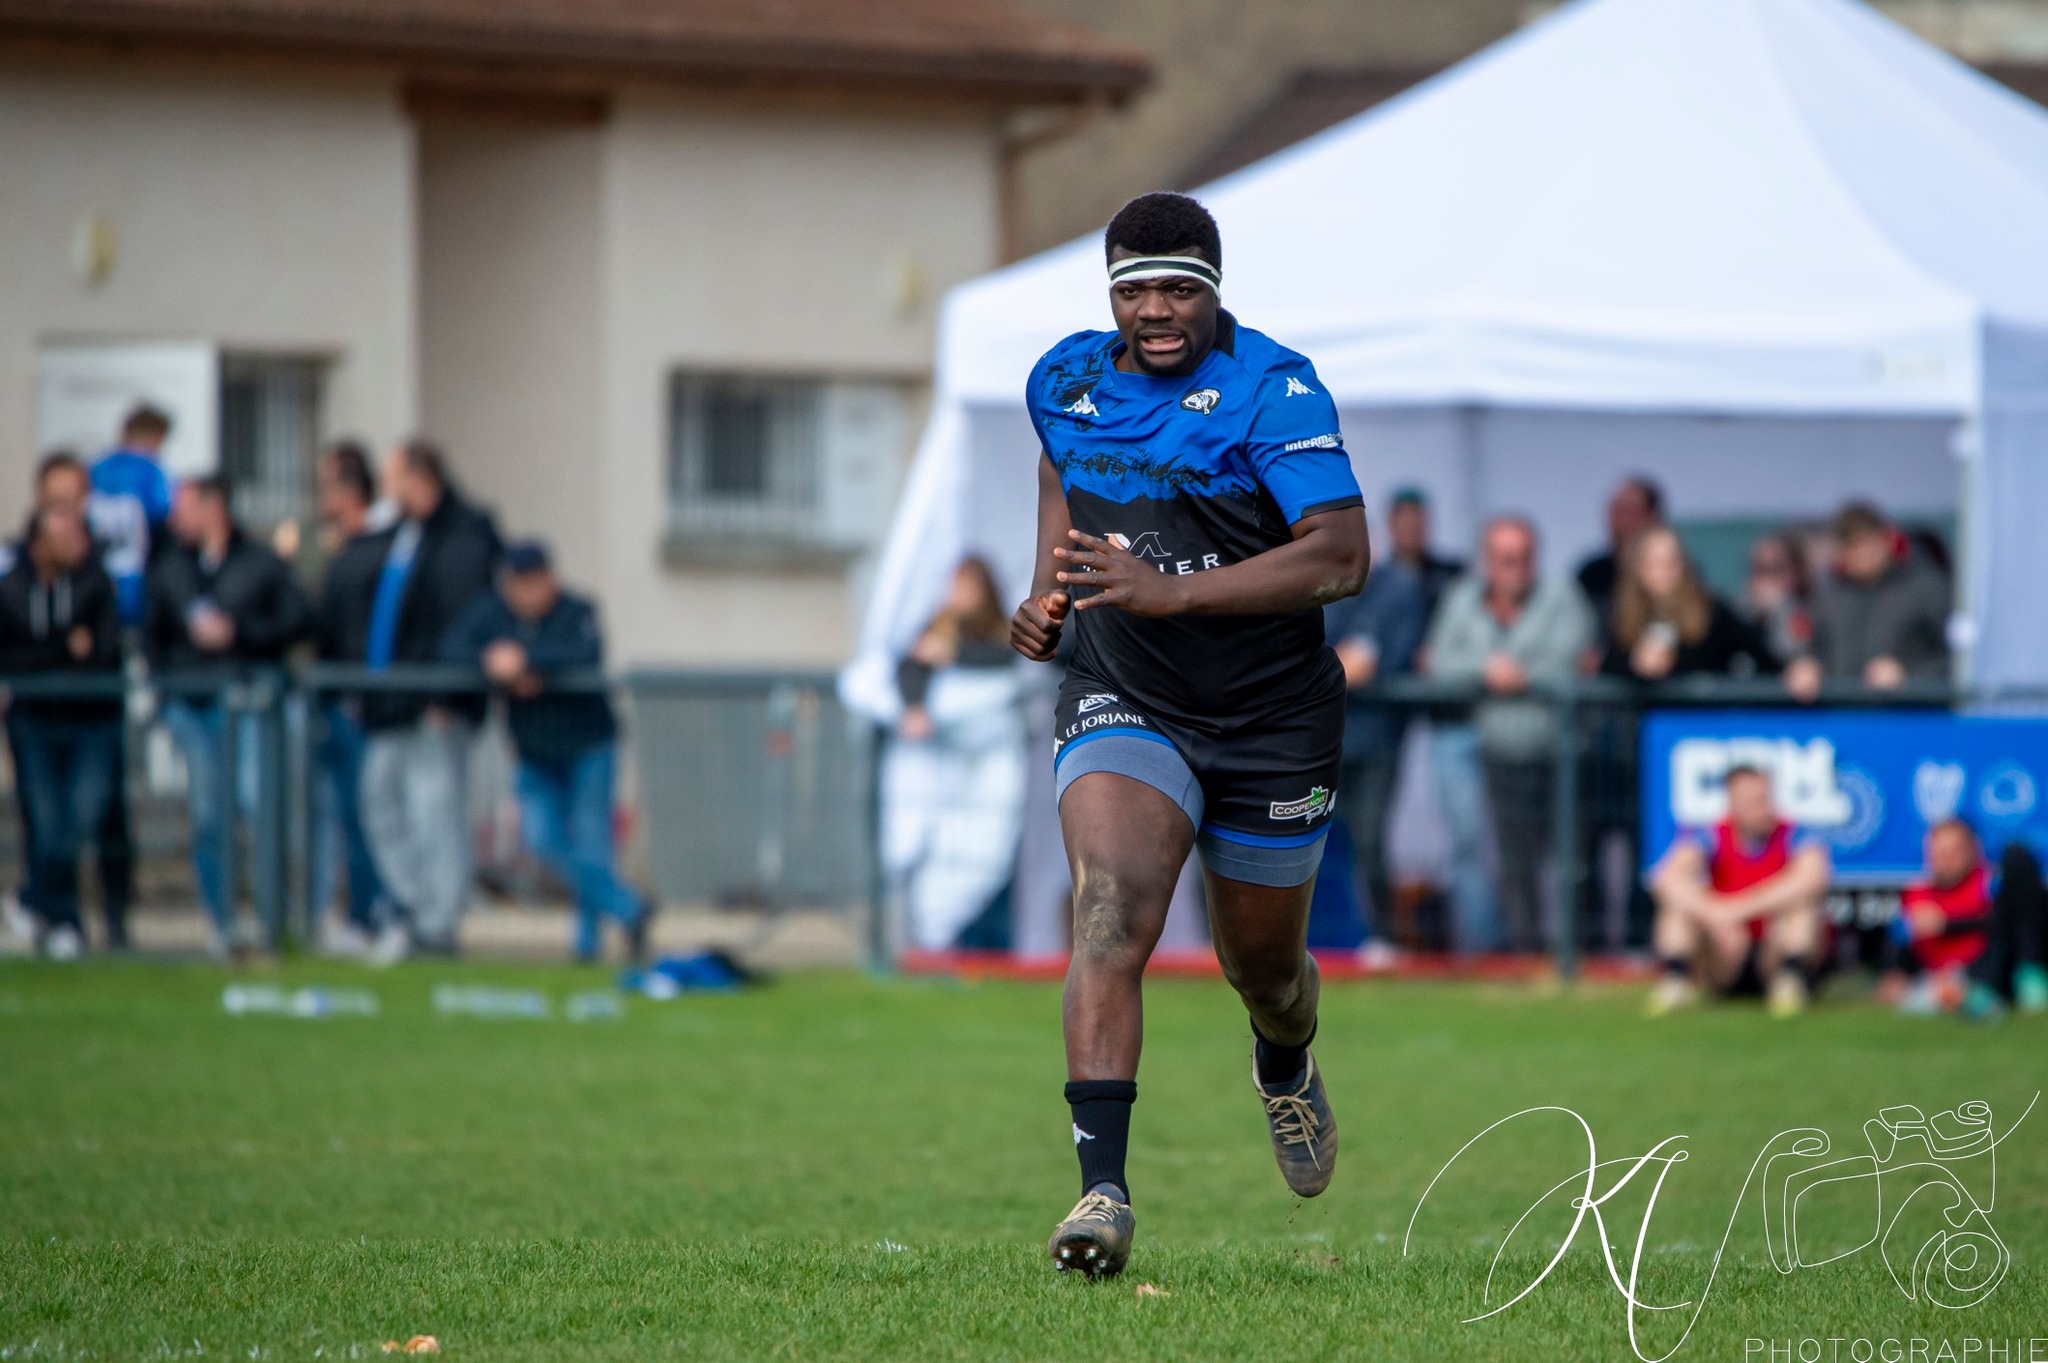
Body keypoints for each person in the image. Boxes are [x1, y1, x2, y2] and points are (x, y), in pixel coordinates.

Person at [1010, 192, 1369, 1277]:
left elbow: (1342, 554)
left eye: (1177, 290)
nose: (1155, 312)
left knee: (1261, 967)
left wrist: (1172, 592)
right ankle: (1100, 1193)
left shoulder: (1273, 387)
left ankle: (1283, 1059)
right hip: (1125, 692)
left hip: (1270, 716)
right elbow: (1058, 466)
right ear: (1108, 295)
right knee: (1110, 908)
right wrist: (1048, 589)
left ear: (1213, 291)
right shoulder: (1064, 379)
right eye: (1134, 291)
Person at [441, 540, 649, 963]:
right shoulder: (494, 614)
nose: (527, 594)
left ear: (550, 579)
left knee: (592, 843)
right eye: (518, 585)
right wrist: (491, 661)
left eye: (534, 583)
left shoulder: (576, 610)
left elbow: (586, 654)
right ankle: (630, 908)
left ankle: (586, 946)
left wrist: (529, 663)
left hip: (588, 746)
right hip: (534, 751)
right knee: (540, 840)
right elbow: (451, 648)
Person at [143, 474, 310, 956]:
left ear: (214, 507)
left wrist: (239, 633)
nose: (176, 518)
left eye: (185, 507)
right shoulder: (172, 567)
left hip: (250, 706)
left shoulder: (261, 562)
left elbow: (295, 621)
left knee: (258, 809)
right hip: (193, 708)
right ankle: (223, 923)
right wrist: (168, 688)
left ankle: (269, 918)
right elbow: (152, 636)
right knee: (208, 817)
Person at [356, 439, 502, 962]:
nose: (385, 487)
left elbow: (462, 618)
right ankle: (413, 907)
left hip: (434, 703)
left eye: (392, 476)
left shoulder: (465, 534)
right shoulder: (403, 533)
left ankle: (438, 924)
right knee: (381, 803)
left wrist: (447, 690)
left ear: (419, 477)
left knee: (434, 813)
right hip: (389, 699)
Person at [1425, 516, 1595, 953]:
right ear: (1487, 560)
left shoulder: (1561, 597)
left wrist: (1522, 674)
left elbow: (1576, 657)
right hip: (1498, 748)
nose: (1512, 566)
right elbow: (1437, 660)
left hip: (1561, 750)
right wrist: (1486, 670)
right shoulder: (1462, 598)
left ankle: (1578, 954)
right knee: (1511, 863)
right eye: (1503, 558)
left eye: (1521, 557)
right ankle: (1524, 953)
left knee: (1571, 860)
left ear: (1534, 557)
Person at [883, 556, 1029, 951]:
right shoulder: (935, 629)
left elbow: (1010, 659)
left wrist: (953, 654)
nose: (957, 596)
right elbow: (908, 668)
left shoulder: (1001, 634)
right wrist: (914, 706)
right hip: (948, 770)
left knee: (993, 852)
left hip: (994, 765)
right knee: (945, 856)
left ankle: (990, 947)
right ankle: (936, 942)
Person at [0, 506, 123, 959]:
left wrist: (52, 652)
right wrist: (62, 646)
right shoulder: (12, 590)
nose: (76, 542)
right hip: (35, 723)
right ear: (38, 545)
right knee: (47, 824)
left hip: (90, 722)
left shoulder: (95, 584)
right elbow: (13, 658)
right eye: (63, 535)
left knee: (81, 819)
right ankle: (61, 919)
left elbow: (105, 651)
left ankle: (33, 902)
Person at [1647, 764, 1831, 1017]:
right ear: (1734, 804)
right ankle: (1677, 979)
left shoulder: (1794, 834)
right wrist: (1713, 914)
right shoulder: (1710, 835)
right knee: (1677, 908)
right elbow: (1665, 878)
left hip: (1772, 949)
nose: (1764, 807)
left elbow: (1812, 878)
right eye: (1754, 801)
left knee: (1802, 908)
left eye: (1766, 798)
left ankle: (1790, 982)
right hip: (1726, 954)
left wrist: (1738, 910)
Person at [1323, 542, 1429, 955]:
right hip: (1319, 738)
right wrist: (1336, 665)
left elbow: (1386, 660)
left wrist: (1344, 664)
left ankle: (1382, 937)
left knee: (1370, 840)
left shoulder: (1398, 587)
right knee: (1294, 839)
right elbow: (1307, 652)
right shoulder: (1315, 580)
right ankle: (1290, 942)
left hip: (1378, 741)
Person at [309, 441, 392, 953]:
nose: (319, 497)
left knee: (365, 816)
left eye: (325, 485)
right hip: (332, 699)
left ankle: (370, 916)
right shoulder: (329, 547)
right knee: (338, 817)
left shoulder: (376, 549)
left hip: (357, 703)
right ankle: (346, 913)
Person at [1785, 502, 1950, 701]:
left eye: (1867, 543)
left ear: (1886, 540)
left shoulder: (1925, 587)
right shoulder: (1830, 597)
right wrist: (1806, 666)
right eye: (1852, 546)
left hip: (1906, 717)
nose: (1863, 554)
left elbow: (1954, 659)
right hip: (1842, 717)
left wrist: (1907, 676)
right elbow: (1814, 652)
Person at [1886, 821, 2048, 1019]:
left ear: (1972, 850)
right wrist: (1897, 971)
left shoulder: (1990, 884)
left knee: (2017, 856)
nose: (1947, 860)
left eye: (1954, 852)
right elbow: (1900, 946)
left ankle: (2027, 980)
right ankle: (1963, 995)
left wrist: (1947, 925)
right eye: (1940, 853)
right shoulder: (1916, 895)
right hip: (1940, 977)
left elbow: (2007, 925)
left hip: (1992, 969)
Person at [1600, 527, 1774, 681]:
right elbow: (1604, 668)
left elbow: (1760, 650)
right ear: (1637, 569)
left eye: (1672, 561)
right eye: (1655, 563)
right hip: (1644, 716)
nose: (1665, 571)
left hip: (1702, 715)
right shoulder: (1620, 616)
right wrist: (1636, 664)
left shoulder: (1711, 610)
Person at [88, 403, 176, 629]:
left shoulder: (97, 468)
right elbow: (165, 516)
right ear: (156, 437)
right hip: (139, 581)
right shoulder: (151, 472)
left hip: (93, 580)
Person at [1575, 476, 1664, 624]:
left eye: (1629, 509)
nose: (1620, 518)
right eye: (1615, 509)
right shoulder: (1592, 575)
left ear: (1652, 515)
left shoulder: (1675, 573)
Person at [1384, 487, 1464, 619]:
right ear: (1391, 525)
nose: (1411, 531)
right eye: (1405, 524)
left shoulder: (1451, 575)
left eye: (1417, 523)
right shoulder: (1377, 583)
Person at [1742, 533, 1811, 667]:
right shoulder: (1738, 615)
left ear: (1797, 572)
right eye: (1760, 568)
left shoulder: (1815, 614)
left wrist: (1780, 610)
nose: (1767, 578)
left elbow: (1794, 655)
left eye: (1776, 569)